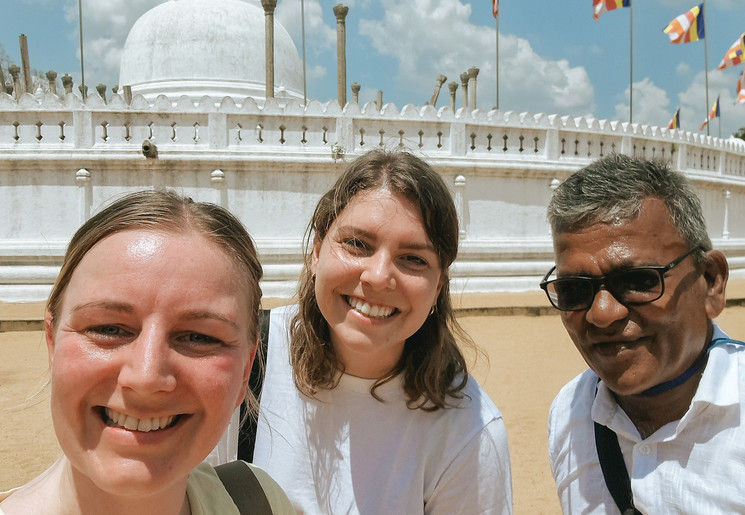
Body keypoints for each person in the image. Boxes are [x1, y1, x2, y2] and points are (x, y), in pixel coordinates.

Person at [249, 149, 512, 513]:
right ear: (317, 252)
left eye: (413, 259)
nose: (377, 276)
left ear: (438, 288)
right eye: (357, 244)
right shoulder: (247, 358)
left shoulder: (467, 431)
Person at [0, 190, 294, 515]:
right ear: (52, 342)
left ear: (244, 371)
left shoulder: (259, 502)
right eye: (108, 329)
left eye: (199, 337)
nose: (146, 376)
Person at [542, 153, 744, 514]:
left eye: (637, 281)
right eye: (574, 289)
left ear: (711, 281)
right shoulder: (571, 413)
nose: (602, 314)